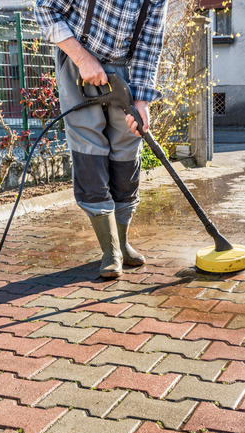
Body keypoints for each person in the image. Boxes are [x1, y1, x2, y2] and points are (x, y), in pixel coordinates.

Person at [35, 0, 167, 278]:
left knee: (127, 149)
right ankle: (110, 251)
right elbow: (45, 9)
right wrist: (83, 59)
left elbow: (149, 46)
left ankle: (121, 241)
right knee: (89, 151)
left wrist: (142, 101)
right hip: (78, 66)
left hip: (126, 71)